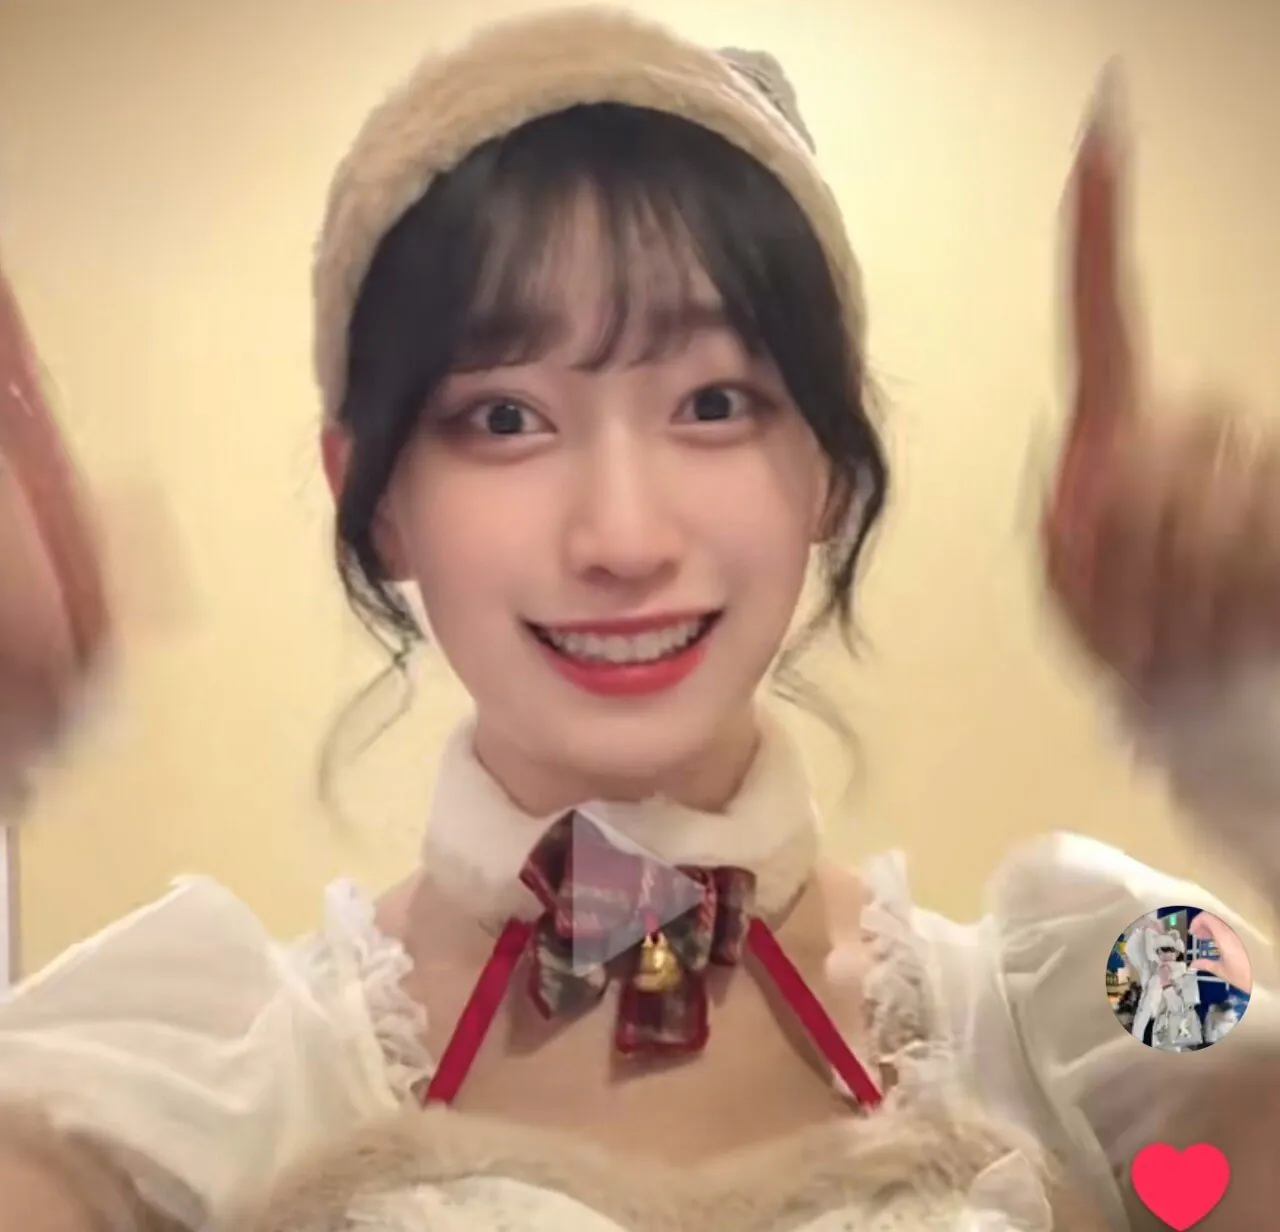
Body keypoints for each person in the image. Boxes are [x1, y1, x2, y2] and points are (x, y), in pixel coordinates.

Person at [2, 8, 1280, 1230]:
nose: (620, 537)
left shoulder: (1102, 983)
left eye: (714, 402)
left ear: (832, 466)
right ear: (372, 496)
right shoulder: (196, 1060)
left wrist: (1252, 729)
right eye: (504, 416)